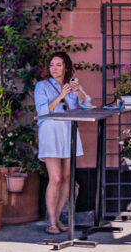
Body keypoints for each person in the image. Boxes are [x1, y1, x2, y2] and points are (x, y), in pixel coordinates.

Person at [34, 51, 90, 235]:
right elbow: (43, 110)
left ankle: (58, 217)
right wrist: (60, 96)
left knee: (67, 178)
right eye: (52, 65)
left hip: (68, 131)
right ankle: (50, 221)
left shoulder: (71, 85)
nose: (54, 69)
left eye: (58, 65)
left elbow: (87, 104)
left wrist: (77, 91)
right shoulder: (42, 86)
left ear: (66, 67)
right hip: (51, 131)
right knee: (56, 178)